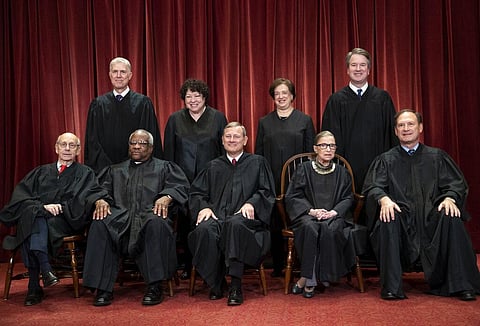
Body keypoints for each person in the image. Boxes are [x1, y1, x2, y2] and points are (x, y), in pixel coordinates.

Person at [362, 109, 480, 301]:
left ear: (421, 128)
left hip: (432, 216)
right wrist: (384, 199)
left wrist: (450, 198)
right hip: (401, 217)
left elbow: (455, 184)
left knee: (450, 215)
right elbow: (374, 186)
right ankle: (392, 287)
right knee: (388, 217)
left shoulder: (437, 157)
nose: (406, 128)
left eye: (410, 124)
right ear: (395, 131)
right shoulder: (386, 160)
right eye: (401, 125)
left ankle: (462, 285)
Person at [82, 129, 189, 307]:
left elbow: (180, 187)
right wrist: (100, 200)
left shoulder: (165, 167)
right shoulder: (115, 170)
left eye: (142, 143)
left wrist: (167, 196)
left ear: (151, 148)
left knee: (156, 223)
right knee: (100, 224)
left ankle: (155, 286)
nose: (137, 146)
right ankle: (103, 288)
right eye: (133, 143)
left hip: (149, 216)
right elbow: (97, 190)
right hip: (120, 218)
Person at [0, 133, 108, 306]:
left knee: (31, 221)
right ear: (56, 148)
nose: (67, 148)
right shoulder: (40, 172)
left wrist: (59, 208)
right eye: (63, 144)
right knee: (34, 216)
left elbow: (84, 201)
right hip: (41, 219)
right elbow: (20, 198)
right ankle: (45, 270)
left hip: (65, 221)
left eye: (72, 145)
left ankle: (34, 285)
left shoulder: (85, 173)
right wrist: (42, 207)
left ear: (78, 150)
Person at [188, 122, 275, 306]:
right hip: (217, 217)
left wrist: (252, 203)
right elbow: (197, 193)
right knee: (204, 229)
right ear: (222, 140)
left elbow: (267, 192)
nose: (232, 140)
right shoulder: (212, 166)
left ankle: (235, 284)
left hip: (246, 223)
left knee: (235, 225)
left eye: (236, 136)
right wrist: (204, 206)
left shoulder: (258, 162)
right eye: (228, 136)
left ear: (245, 140)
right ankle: (215, 282)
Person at [164, 78, 228, 279]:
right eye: (188, 96)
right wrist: (173, 179)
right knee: (185, 222)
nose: (192, 100)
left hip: (211, 180)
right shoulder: (175, 119)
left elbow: (223, 149)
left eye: (196, 96)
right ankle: (188, 264)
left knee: (209, 219)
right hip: (182, 180)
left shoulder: (218, 118)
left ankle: (213, 263)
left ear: (204, 97)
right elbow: (169, 152)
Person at [285, 131, 357, 298]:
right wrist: (312, 211)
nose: (328, 149)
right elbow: (292, 196)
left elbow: (348, 198)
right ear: (315, 148)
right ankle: (311, 280)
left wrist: (333, 212)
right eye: (324, 145)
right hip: (307, 214)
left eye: (332, 145)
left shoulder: (342, 172)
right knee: (310, 228)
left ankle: (305, 279)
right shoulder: (303, 169)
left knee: (329, 229)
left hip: (334, 216)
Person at [255, 77, 315, 277]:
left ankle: (301, 262)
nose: (281, 97)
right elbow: (259, 154)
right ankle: (279, 264)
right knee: (274, 221)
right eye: (277, 94)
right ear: (273, 97)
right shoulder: (264, 122)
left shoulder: (304, 120)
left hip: (297, 181)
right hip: (271, 178)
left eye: (285, 93)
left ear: (292, 96)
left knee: (299, 219)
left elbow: (309, 155)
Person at [321, 48, 397, 194]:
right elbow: (329, 138)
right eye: (354, 65)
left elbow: (392, 135)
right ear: (347, 70)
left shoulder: (382, 98)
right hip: (346, 168)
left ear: (368, 70)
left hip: (378, 167)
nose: (358, 69)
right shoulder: (336, 100)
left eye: (362, 65)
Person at [84, 57, 163, 174]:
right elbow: (92, 141)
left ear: (130, 75)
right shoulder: (98, 104)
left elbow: (149, 138)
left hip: (137, 169)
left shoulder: (143, 103)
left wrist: (132, 163)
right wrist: (107, 167)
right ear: (110, 75)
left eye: (123, 72)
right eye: (115, 72)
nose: (118, 75)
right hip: (104, 170)